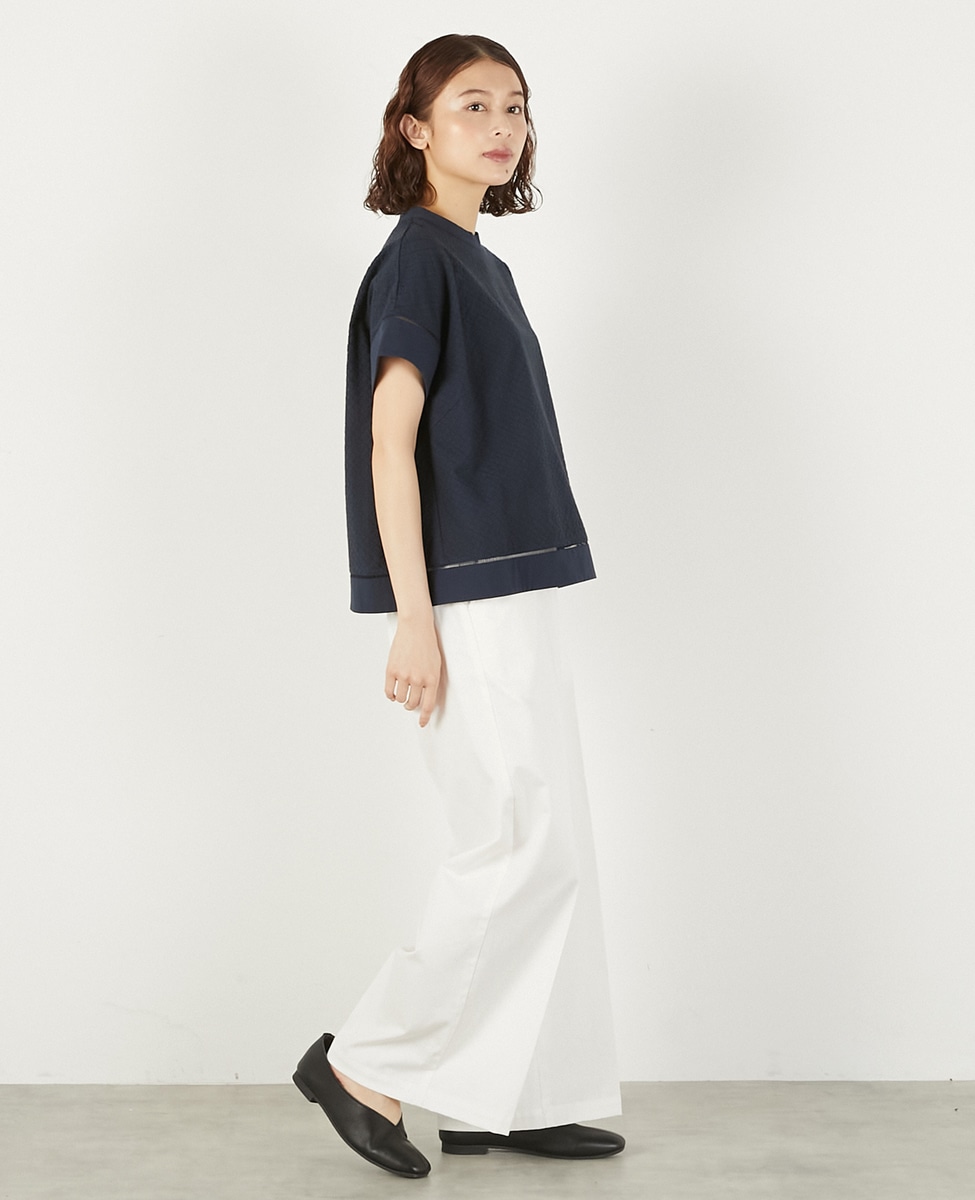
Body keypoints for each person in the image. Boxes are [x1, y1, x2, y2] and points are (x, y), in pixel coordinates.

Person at [293, 33, 624, 1179]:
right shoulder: (418, 262)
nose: (502, 126)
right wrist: (414, 618)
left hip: (516, 589)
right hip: (468, 599)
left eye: (516, 107)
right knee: (513, 843)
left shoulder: (483, 263)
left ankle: (510, 1094)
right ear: (415, 128)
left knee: (552, 845)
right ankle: (364, 1063)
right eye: (473, 105)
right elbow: (390, 443)